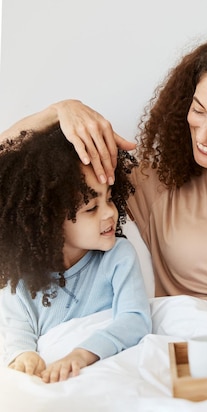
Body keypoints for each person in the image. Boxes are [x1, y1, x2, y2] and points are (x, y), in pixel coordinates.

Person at [0, 30, 207, 301]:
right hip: (193, 350)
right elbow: (10, 177)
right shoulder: (157, 183)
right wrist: (57, 111)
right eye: (198, 110)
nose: (204, 134)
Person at [0, 124, 152, 383]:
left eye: (110, 198)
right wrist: (24, 355)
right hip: (54, 378)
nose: (110, 213)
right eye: (92, 208)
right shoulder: (20, 279)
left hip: (103, 372)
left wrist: (81, 355)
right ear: (49, 221)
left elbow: (135, 319)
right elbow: (16, 329)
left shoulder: (118, 256)